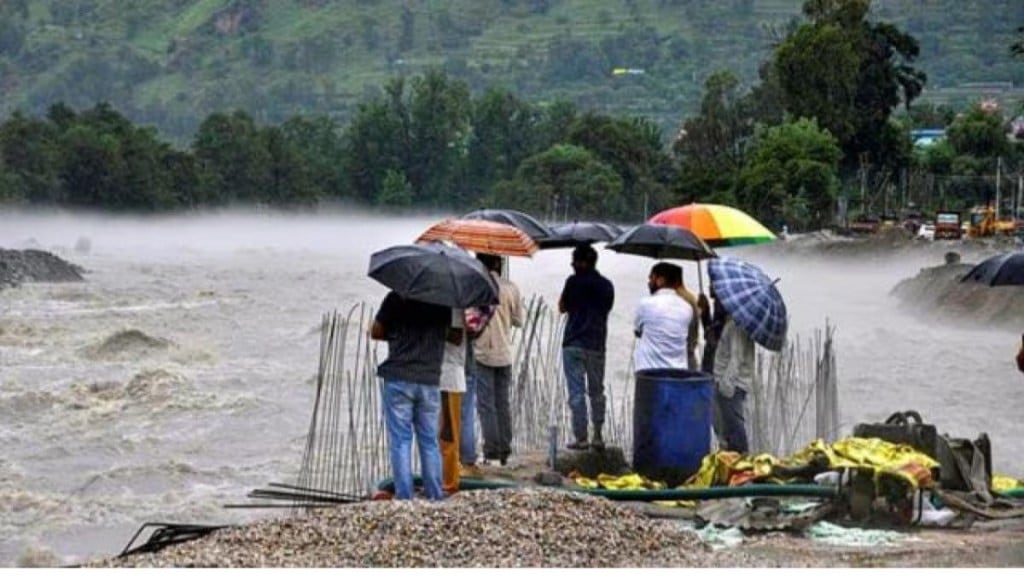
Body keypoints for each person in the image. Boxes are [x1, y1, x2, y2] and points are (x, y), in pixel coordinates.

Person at [370, 291, 450, 500]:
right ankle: (434, 493)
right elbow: (449, 335)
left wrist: (396, 333)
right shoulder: (441, 302)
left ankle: (405, 496)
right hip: (429, 379)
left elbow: (376, 331)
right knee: (429, 441)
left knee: (401, 440)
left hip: (399, 377)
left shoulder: (395, 298)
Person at [558, 244, 615, 451]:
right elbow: (607, 309)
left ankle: (581, 438)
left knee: (576, 393)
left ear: (582, 262)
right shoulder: (607, 285)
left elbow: (562, 307)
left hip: (573, 343)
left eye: (574, 260)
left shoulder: (572, 282)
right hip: (597, 344)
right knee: (597, 391)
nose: (572, 264)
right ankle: (598, 436)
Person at [472, 254, 524, 466]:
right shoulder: (511, 288)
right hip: (504, 353)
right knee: (503, 403)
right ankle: (504, 450)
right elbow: (518, 321)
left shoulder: (478, 287)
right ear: (498, 264)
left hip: (483, 352)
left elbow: (472, 322)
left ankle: (491, 452)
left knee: (486, 405)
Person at [633, 263, 692, 372]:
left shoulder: (645, 304)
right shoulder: (687, 308)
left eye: (651, 278)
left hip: (649, 374)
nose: (649, 282)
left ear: (660, 280)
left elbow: (637, 331)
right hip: (678, 373)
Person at [712, 308, 755, 454]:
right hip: (732, 385)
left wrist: (725, 386)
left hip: (732, 387)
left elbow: (736, 359)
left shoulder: (736, 325)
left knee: (734, 429)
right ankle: (734, 462)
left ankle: (741, 462)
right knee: (729, 430)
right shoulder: (736, 323)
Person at [438, 309, 466, 494]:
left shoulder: (455, 308)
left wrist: (433, 329)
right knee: (441, 432)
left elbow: (456, 336)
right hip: (441, 374)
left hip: (450, 377)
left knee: (449, 432)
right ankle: (443, 477)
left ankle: (450, 482)